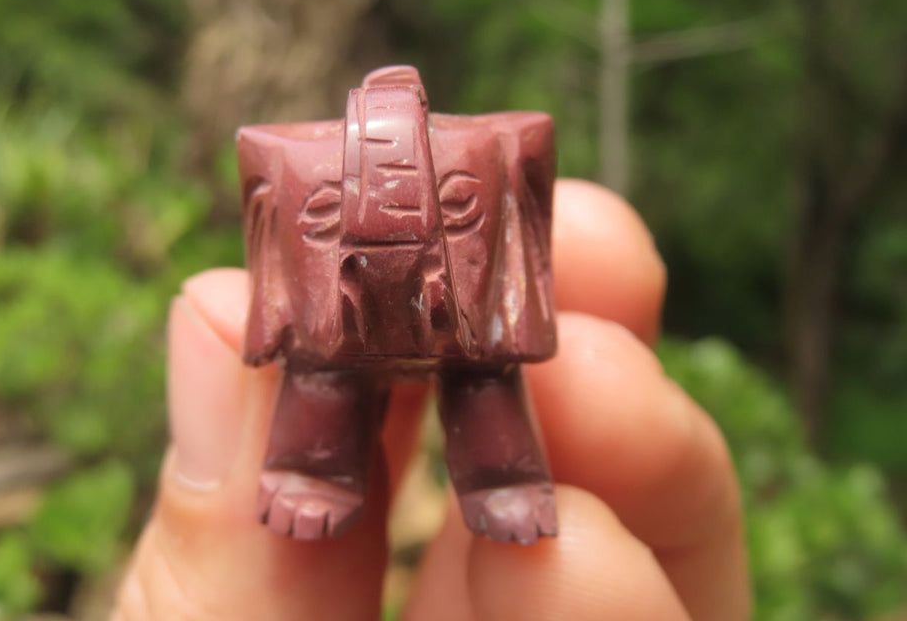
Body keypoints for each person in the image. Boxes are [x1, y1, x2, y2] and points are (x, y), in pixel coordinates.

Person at [111, 180, 751, 621]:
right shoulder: (291, 212)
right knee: (322, 388)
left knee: (486, 386)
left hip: (464, 327)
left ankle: (502, 478)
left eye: (459, 204)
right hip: (335, 333)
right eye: (325, 211)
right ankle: (312, 468)